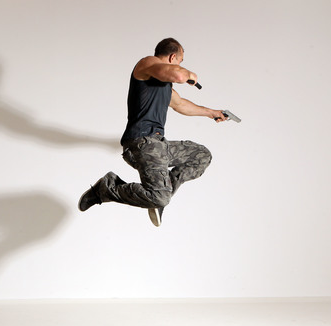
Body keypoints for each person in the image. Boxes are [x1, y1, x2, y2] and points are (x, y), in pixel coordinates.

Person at [78, 38, 226, 226]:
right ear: (173, 57)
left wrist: (212, 113)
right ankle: (106, 188)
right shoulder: (147, 64)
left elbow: (180, 105)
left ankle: (160, 195)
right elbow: (179, 76)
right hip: (141, 143)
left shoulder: (164, 85)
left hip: (159, 145)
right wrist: (189, 74)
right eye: (180, 61)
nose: (181, 65)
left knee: (201, 156)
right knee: (160, 197)